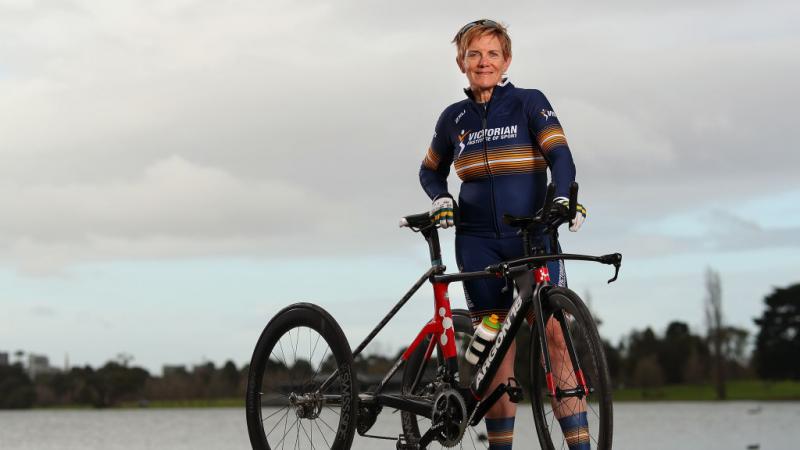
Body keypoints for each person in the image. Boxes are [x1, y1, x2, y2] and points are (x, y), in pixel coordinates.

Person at [419, 20, 589, 450]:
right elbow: (429, 169)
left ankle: (582, 446)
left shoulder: (530, 103)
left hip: (533, 239)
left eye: (492, 54)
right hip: (477, 243)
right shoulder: (452, 119)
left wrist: (565, 198)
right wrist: (440, 197)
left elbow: (560, 155)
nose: (483, 62)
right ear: (461, 62)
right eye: (474, 54)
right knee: (496, 352)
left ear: (506, 60)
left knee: (556, 337)